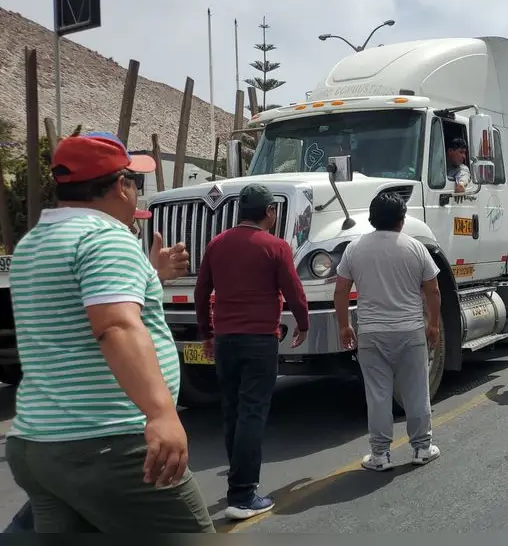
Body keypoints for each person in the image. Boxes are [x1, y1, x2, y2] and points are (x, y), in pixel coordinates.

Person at [6, 130, 213, 532]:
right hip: (108, 442)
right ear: (121, 185)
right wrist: (161, 413)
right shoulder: (104, 238)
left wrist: (150, 273)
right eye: (135, 180)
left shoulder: (35, 242)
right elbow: (115, 325)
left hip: (38, 443)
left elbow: (74, 312)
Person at [195, 184, 309, 520]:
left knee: (232, 412)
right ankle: (243, 495)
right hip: (259, 339)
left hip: (226, 340)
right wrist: (303, 323)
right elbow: (293, 289)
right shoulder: (275, 247)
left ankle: (237, 485)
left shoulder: (216, 245)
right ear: (269, 212)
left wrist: (207, 332)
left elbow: (202, 292)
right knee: (252, 413)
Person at [334, 192, 443, 471]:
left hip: (371, 333)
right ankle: (421, 448)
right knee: (417, 391)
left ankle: (380, 455)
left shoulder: (355, 248)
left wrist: (344, 326)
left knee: (378, 395)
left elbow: (341, 289)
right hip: (410, 331)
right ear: (402, 219)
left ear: (372, 217)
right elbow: (432, 289)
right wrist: (433, 324)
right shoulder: (416, 248)